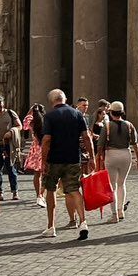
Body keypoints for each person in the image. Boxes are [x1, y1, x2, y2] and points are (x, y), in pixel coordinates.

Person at [40, 89, 96, 240]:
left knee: (51, 190)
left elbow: (46, 140)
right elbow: (87, 137)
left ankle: (51, 226)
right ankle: (83, 222)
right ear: (64, 99)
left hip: (54, 159)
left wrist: (43, 161)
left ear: (52, 101)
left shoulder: (49, 116)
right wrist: (92, 157)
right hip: (73, 158)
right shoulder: (77, 114)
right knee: (74, 190)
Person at [96, 101, 138, 221]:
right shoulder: (129, 125)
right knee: (122, 183)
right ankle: (121, 210)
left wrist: (98, 159)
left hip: (111, 154)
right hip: (126, 154)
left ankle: (114, 214)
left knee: (112, 186)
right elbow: (135, 144)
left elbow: (100, 145)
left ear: (111, 113)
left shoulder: (107, 125)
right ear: (122, 112)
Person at [21, 102, 46, 206]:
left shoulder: (32, 123)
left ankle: (38, 195)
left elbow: (24, 124)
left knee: (37, 174)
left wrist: (31, 109)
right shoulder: (47, 121)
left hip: (35, 150)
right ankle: (41, 194)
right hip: (46, 148)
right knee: (46, 174)